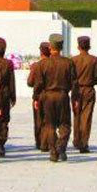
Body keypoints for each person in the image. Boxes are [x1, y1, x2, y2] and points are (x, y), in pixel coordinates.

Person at [37, 34, 77, 162]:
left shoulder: (43, 64)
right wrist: (74, 97)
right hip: (62, 95)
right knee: (65, 124)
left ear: (50, 46)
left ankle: (53, 152)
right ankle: (61, 146)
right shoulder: (68, 63)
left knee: (49, 125)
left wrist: (36, 97)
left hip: (47, 96)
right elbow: (74, 82)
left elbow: (38, 83)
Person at [70, 35, 97, 154]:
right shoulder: (95, 60)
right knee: (86, 117)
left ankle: (77, 140)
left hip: (76, 90)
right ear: (89, 47)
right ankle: (84, 143)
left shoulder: (73, 60)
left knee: (76, 115)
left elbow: (70, 78)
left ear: (78, 47)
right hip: (89, 90)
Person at [0, 37, 16, 157]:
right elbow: (11, 81)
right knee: (4, 121)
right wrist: (13, 96)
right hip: (4, 95)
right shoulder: (8, 63)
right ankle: (0, 143)